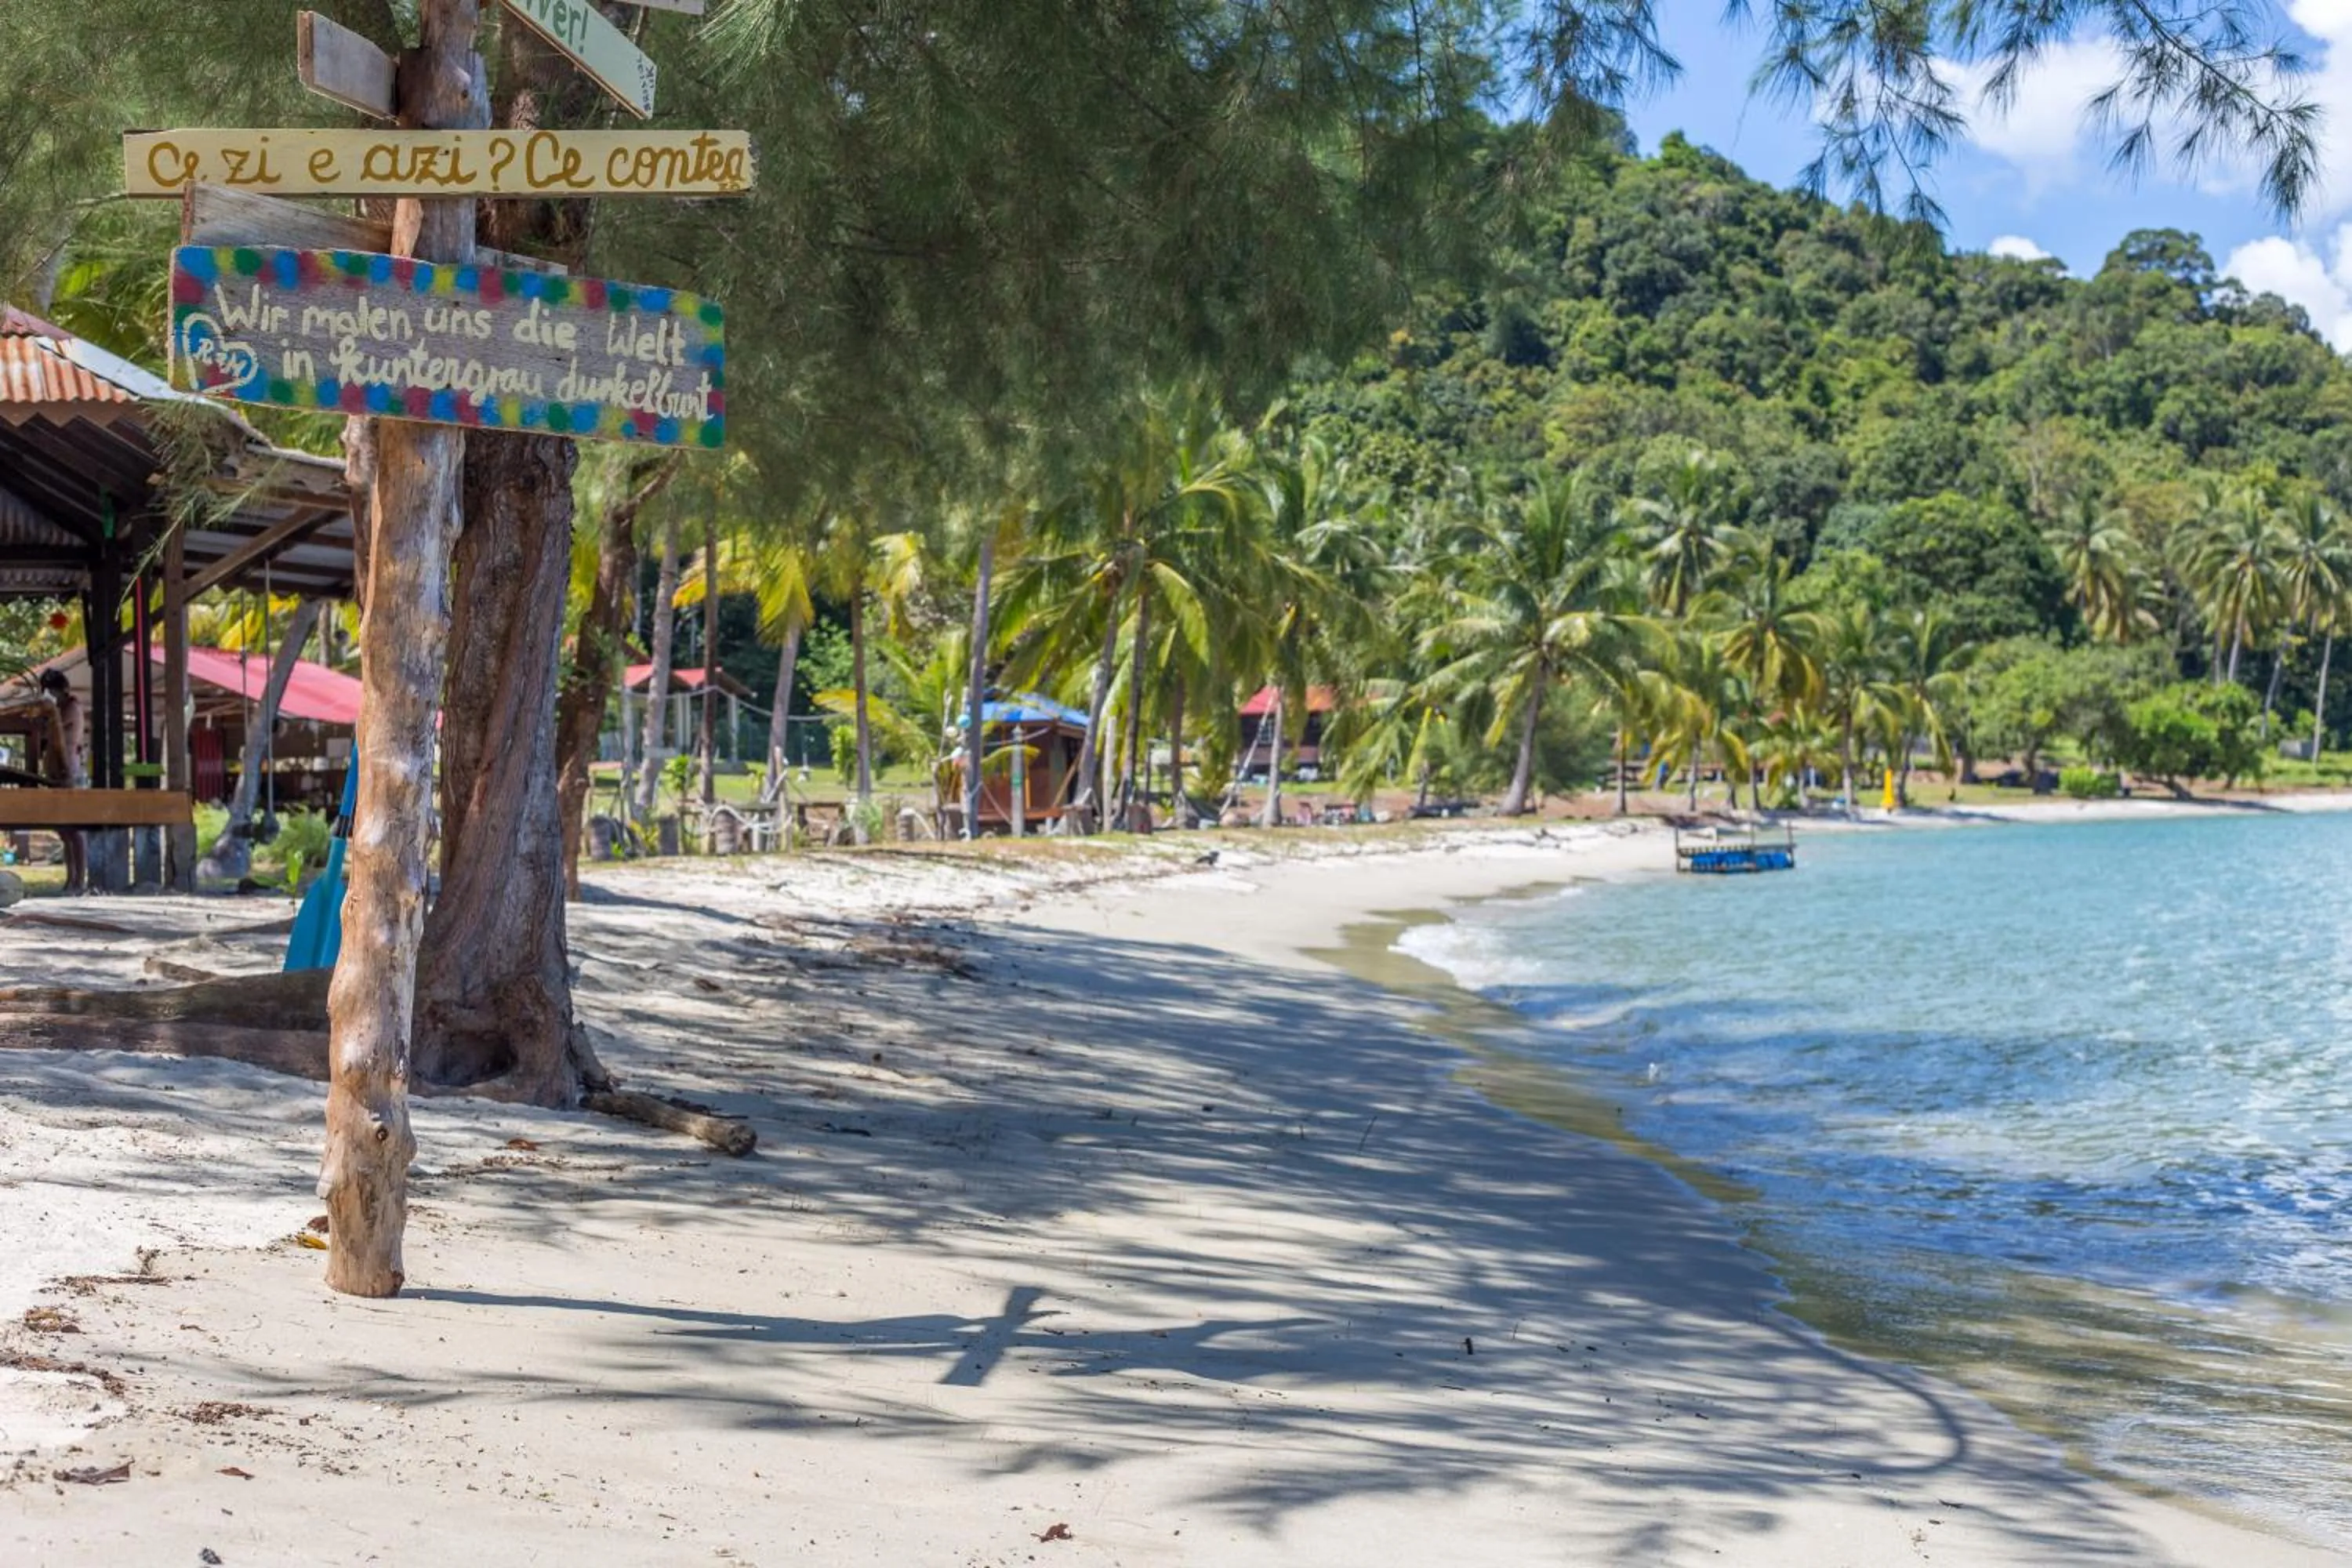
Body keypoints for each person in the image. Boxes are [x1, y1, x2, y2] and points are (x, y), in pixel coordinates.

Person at [37, 668, 88, 895]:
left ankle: (80, 880)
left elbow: (55, 727)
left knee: (75, 829)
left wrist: (49, 713)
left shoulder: (71, 708)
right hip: (56, 769)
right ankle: (71, 879)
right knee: (64, 831)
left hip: (69, 769)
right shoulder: (58, 708)